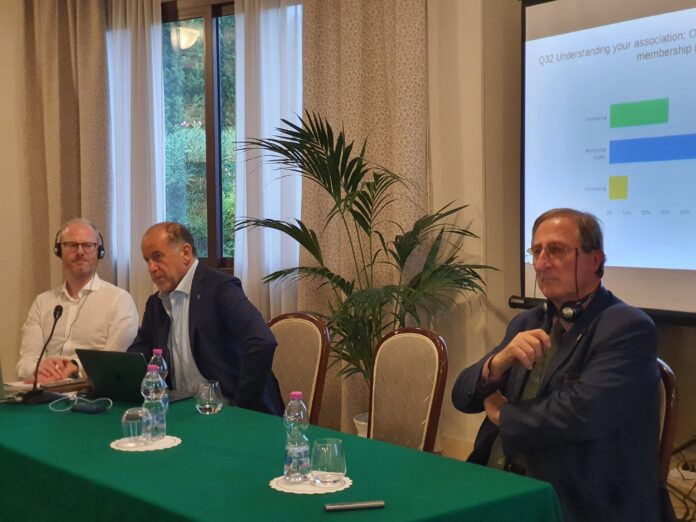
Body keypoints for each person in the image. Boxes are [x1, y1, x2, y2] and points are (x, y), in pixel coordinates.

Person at [452, 208, 663, 522]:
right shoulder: (527, 322)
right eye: (536, 251)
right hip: (497, 482)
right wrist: (497, 363)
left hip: (580, 499)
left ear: (595, 260)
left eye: (556, 250)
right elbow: (462, 397)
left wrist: (501, 416)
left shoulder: (628, 327)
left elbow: (582, 413)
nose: (541, 263)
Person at [128, 222, 283, 415]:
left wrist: (242, 407)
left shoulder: (220, 289)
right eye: (147, 260)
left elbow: (262, 342)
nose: (151, 267)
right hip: (182, 411)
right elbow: (138, 355)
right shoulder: (156, 304)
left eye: (157, 256)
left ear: (186, 253)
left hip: (228, 410)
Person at [17, 219, 139, 383]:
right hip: (46, 389)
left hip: (92, 391)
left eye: (88, 245)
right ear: (59, 250)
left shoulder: (119, 300)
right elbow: (25, 361)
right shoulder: (42, 302)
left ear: (99, 252)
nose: (80, 252)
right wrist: (38, 368)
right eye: (72, 245)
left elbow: (114, 361)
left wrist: (77, 368)